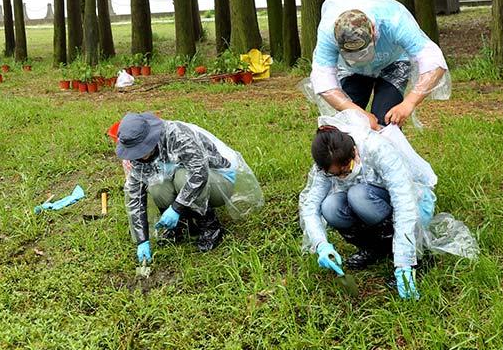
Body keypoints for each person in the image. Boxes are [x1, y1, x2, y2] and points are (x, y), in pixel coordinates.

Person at [299, 110, 478, 300]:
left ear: (354, 151)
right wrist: (321, 244)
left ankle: (416, 258)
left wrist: (404, 262)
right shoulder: (326, 163)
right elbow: (310, 205)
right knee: (330, 206)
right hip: (371, 205)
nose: (343, 177)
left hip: (414, 204)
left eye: (347, 169)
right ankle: (375, 249)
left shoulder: (376, 149)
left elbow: (405, 203)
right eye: (335, 175)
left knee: (358, 195)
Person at [115, 112, 263, 263]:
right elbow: (135, 199)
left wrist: (176, 208)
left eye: (141, 150)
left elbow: (200, 172)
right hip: (185, 183)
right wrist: (142, 241)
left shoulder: (176, 135)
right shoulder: (136, 160)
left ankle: (209, 226)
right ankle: (178, 226)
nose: (139, 156)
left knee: (182, 177)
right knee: (156, 187)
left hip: (218, 180)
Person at [308, 0, 449, 130]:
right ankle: (357, 154)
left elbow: (434, 61)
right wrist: (357, 112)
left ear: (374, 32)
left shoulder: (394, 21)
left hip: (393, 62)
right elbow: (323, 78)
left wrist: (408, 103)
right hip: (352, 69)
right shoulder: (329, 32)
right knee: (351, 123)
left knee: (387, 119)